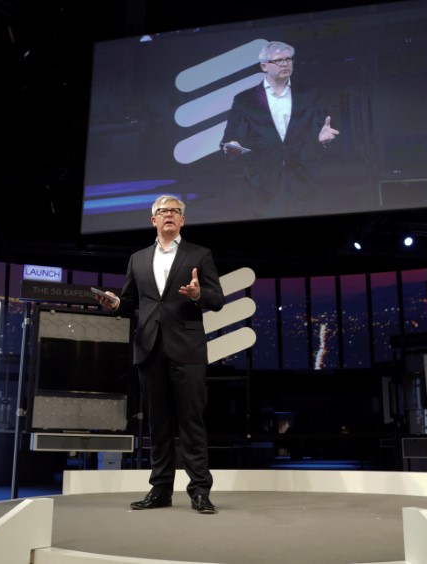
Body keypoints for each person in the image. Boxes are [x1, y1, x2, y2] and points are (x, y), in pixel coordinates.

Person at [94, 194, 224, 514]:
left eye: (175, 211)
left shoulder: (199, 254)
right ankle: (161, 490)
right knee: (159, 423)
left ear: (182, 220)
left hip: (188, 348)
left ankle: (199, 491)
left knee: (191, 422)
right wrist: (115, 304)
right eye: (163, 211)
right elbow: (129, 302)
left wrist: (198, 294)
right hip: (149, 348)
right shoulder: (137, 259)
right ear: (153, 220)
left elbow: (217, 299)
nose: (169, 215)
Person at [220, 40, 339, 201]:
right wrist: (233, 145)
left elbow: (322, 130)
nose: (285, 64)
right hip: (262, 181)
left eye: (288, 59)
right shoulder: (245, 100)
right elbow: (233, 136)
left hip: (305, 179)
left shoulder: (310, 94)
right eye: (278, 61)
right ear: (264, 66)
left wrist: (324, 139)